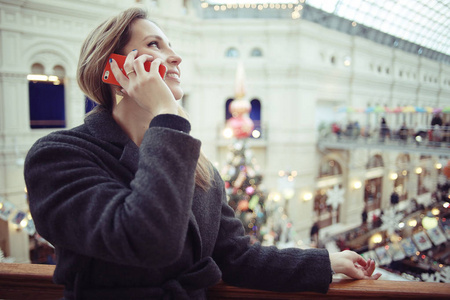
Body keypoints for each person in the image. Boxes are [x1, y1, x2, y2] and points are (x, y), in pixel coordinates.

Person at [24, 7, 380, 299]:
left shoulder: (197, 166)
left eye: (171, 45)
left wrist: (324, 263)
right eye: (155, 44)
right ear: (114, 69)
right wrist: (167, 113)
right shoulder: (59, 155)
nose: (175, 56)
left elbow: (235, 256)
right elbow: (148, 241)